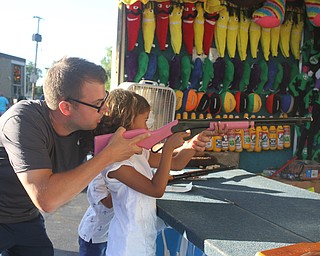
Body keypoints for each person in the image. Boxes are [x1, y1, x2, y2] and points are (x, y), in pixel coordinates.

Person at [0, 57, 152, 256]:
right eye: (98, 103)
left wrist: (185, 146)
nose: (105, 109)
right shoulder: (22, 121)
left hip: (25, 217)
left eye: (105, 99)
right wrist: (108, 155)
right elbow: (46, 199)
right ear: (66, 108)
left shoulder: (88, 124)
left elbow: (133, 139)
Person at [98, 89, 208, 256]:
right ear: (127, 120)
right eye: (145, 120)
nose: (148, 126)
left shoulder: (139, 152)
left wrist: (195, 143)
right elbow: (156, 189)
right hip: (127, 246)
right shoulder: (115, 163)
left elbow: (177, 163)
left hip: (143, 239)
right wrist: (168, 147)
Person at [78, 172, 113, 256]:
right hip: (95, 236)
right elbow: (108, 203)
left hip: (109, 233)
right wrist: (125, 184)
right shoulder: (97, 177)